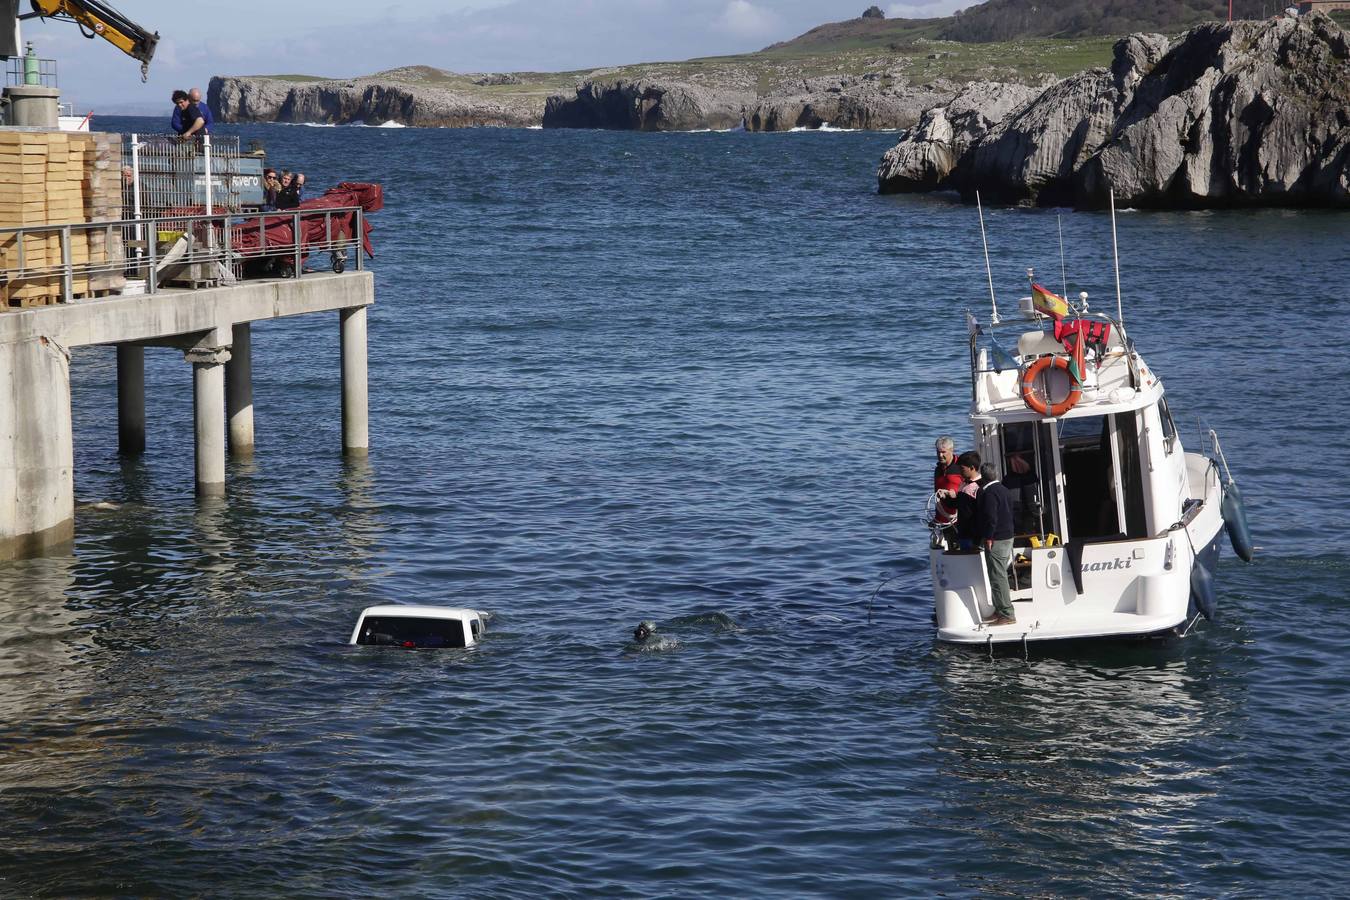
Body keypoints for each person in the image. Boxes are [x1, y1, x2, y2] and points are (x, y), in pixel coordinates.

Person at [976, 461, 1016, 625]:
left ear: (983, 477)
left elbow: (991, 518)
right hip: (1008, 536)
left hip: (997, 539)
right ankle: (1000, 610)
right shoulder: (1005, 490)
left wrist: (989, 537)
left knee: (997, 576)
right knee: (998, 574)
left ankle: (1007, 613)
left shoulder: (989, 493)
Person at [932, 436, 963, 547]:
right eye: (938, 452)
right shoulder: (938, 469)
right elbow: (936, 494)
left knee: (959, 549)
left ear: (951, 450)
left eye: (943, 452)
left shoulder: (961, 467)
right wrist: (936, 518)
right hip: (942, 520)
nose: (940, 455)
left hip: (959, 520)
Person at [951, 450, 982, 551]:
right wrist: (946, 497)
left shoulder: (980, 486)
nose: (960, 472)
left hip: (973, 536)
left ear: (972, 468)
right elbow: (958, 504)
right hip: (963, 533)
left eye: (962, 469)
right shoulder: (963, 483)